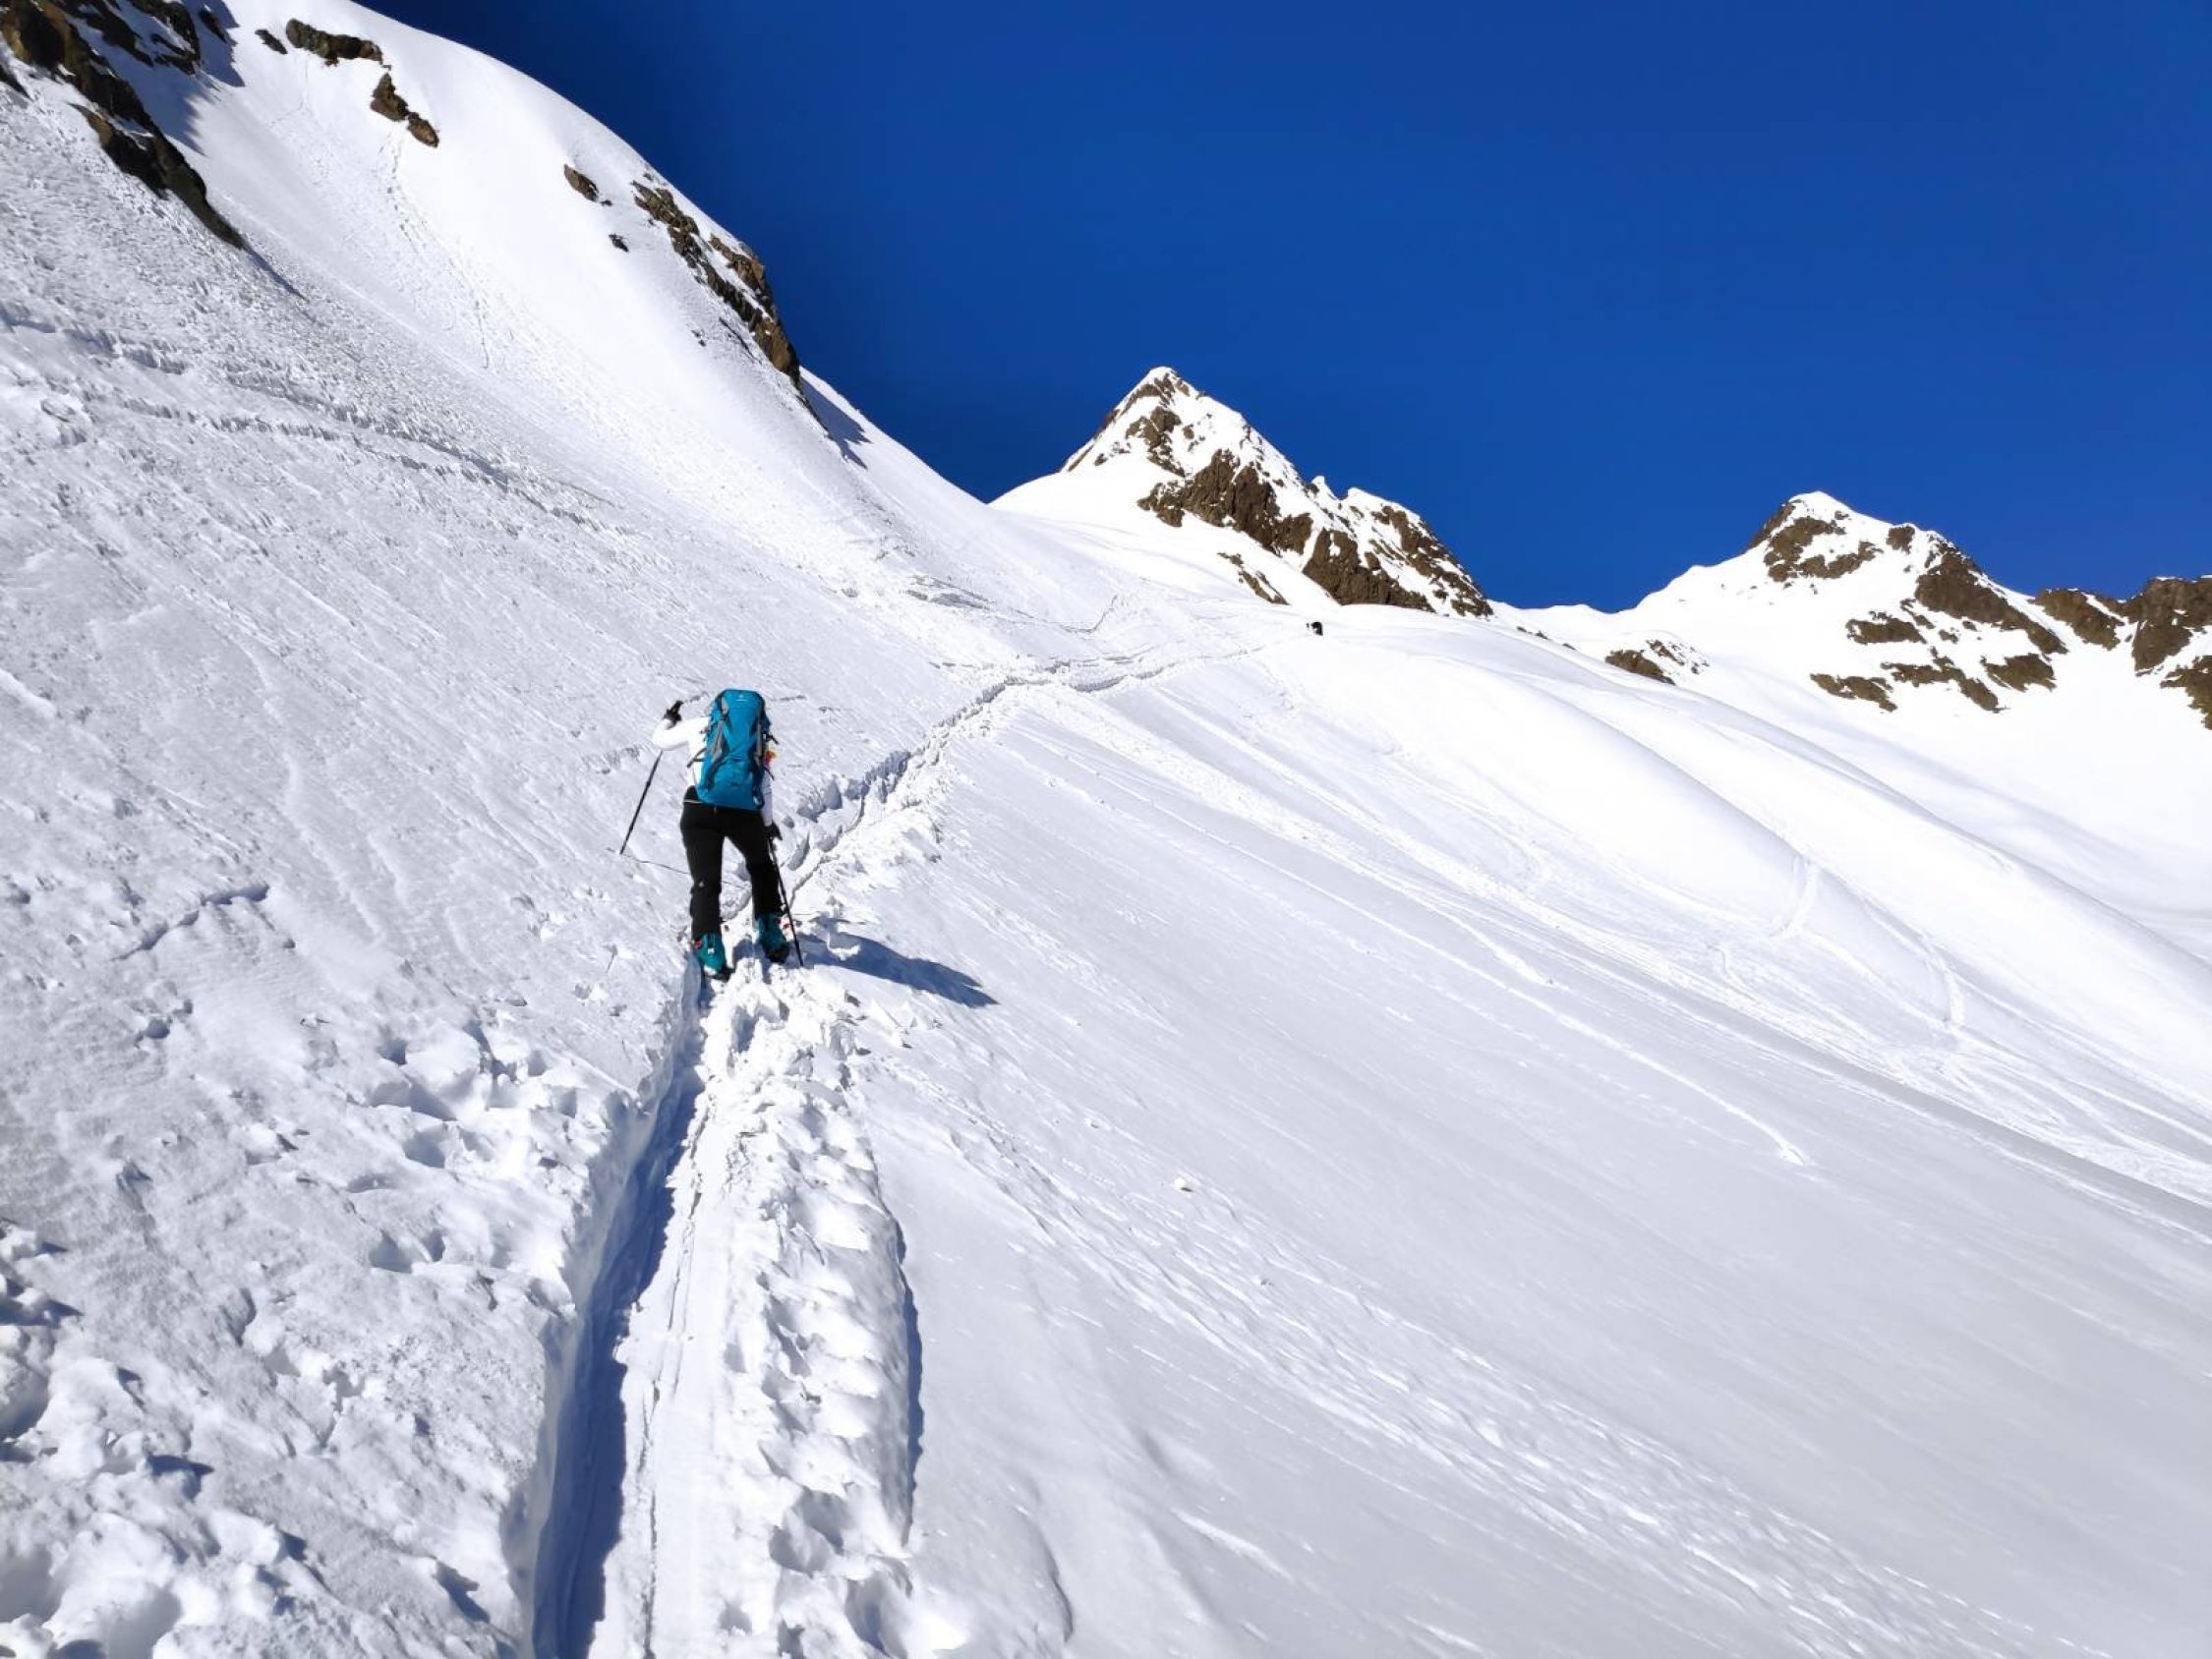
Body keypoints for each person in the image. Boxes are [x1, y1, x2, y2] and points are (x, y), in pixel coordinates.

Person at [652, 697, 791, 975]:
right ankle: (769, 929)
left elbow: (660, 741)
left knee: (706, 879)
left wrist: (669, 719)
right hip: (744, 812)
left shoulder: (699, 725)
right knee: (761, 867)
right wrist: (766, 824)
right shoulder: (756, 735)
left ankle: (709, 946)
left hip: (699, 807)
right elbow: (763, 784)